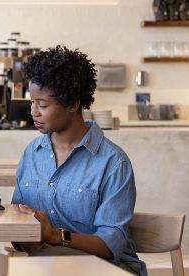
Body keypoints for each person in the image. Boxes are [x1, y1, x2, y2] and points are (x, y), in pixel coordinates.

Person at [11, 45, 147, 275]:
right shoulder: (32, 153)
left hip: (106, 269)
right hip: (47, 266)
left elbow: (110, 244)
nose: (33, 111)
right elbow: (17, 220)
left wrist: (54, 236)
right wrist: (25, 238)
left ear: (73, 104)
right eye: (32, 102)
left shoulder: (113, 163)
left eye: (42, 105)